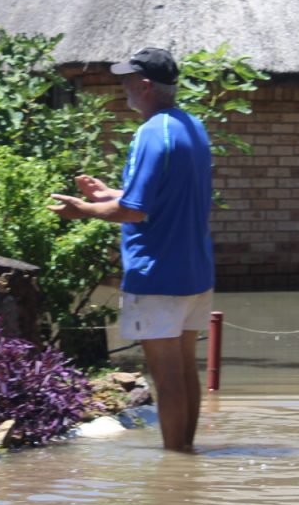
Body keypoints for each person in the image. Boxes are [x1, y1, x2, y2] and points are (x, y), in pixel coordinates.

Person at [49, 47, 214, 452]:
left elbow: (134, 212)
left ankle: (176, 465)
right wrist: (110, 193)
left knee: (165, 374)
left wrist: (86, 209)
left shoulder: (150, 133)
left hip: (156, 272)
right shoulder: (191, 127)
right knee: (185, 370)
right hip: (195, 272)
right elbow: (158, 199)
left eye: (125, 82)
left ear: (144, 87)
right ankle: (186, 453)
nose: (121, 89)